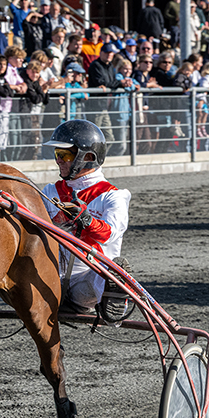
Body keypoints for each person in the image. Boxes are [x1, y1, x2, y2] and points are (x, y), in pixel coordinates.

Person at [41, 119, 133, 322]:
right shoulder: (50, 191)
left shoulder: (112, 196)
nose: (58, 160)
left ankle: (115, 289)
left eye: (64, 155)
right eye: (57, 154)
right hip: (51, 278)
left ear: (88, 157)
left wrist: (85, 219)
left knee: (103, 275)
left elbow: (108, 234)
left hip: (87, 279)